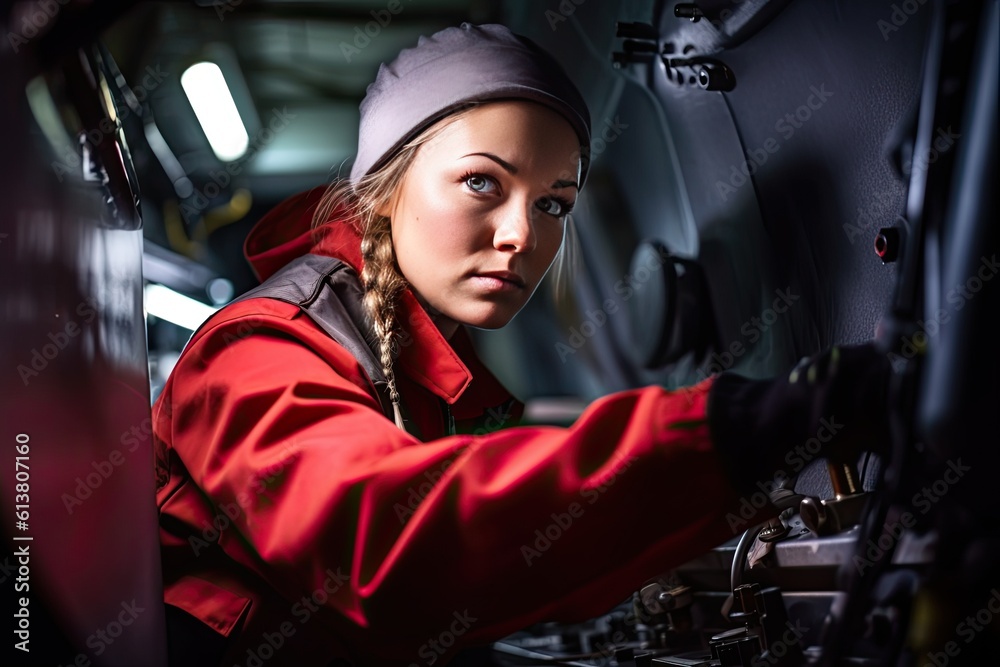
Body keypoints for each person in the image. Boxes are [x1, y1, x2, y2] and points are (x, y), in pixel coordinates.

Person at [153, 23, 889, 667]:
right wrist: (727, 431)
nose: (522, 236)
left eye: (552, 204)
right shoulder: (258, 348)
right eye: (481, 182)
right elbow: (383, 552)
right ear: (382, 189)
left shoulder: (435, 371)